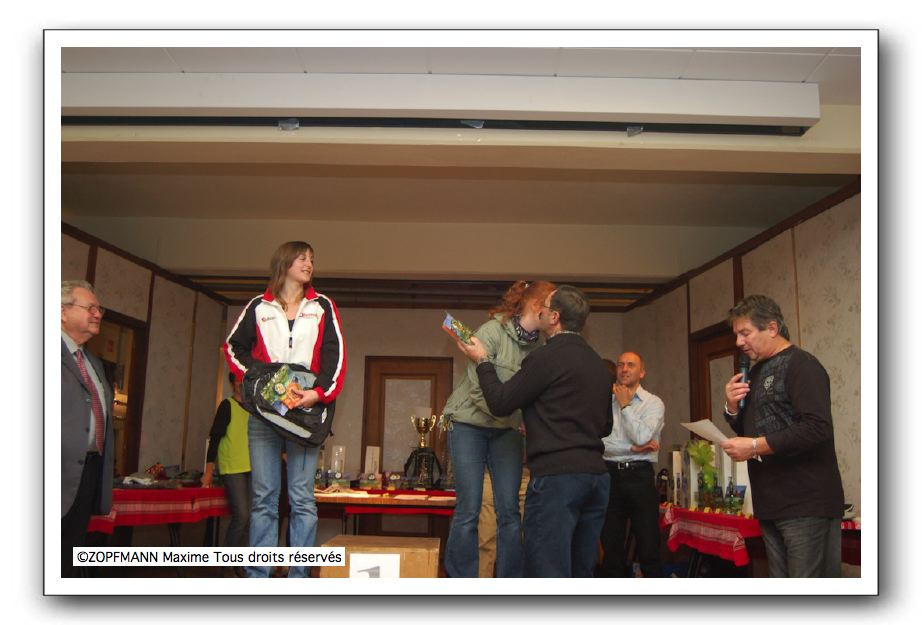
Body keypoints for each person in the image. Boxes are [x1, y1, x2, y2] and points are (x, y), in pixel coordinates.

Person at [456, 285, 613, 577]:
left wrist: (483, 360)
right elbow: (606, 425)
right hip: (597, 480)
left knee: (546, 572)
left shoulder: (545, 358)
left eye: (546, 306)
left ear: (554, 317)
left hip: (557, 480)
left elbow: (500, 402)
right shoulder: (598, 364)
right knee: (580, 572)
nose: (539, 310)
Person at [224, 241, 346, 578]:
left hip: (304, 413)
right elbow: (233, 348)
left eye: (312, 259)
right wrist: (259, 378)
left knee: (302, 498)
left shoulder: (322, 306)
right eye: (302, 258)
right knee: (264, 497)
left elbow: (335, 356)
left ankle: (299, 577)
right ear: (285, 263)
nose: (309, 264)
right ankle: (258, 576)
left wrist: (317, 393)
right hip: (264, 415)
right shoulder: (258, 306)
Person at [719, 294, 844, 578]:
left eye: (745, 333)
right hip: (770, 502)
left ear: (772, 328)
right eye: (736, 334)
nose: (738, 342)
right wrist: (732, 407)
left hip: (805, 502)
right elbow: (752, 431)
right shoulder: (756, 371)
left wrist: (754, 446)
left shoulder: (802, 365)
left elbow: (817, 427)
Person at [443, 280, 555, 578]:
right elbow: (479, 390)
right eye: (552, 307)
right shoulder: (491, 332)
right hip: (468, 424)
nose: (556, 314)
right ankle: (461, 582)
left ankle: (510, 583)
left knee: (509, 511)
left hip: (506, 429)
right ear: (537, 307)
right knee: (469, 508)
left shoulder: (541, 347)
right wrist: (511, 414)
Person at [61, 280, 114, 578]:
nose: (97, 314)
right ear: (62, 312)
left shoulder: (92, 361)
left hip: (89, 470)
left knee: (69, 553)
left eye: (99, 309)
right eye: (90, 308)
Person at [598, 352, 665, 578]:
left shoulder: (653, 403)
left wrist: (625, 406)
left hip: (640, 477)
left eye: (631, 365)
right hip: (609, 475)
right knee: (611, 548)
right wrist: (631, 448)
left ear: (642, 372)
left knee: (648, 546)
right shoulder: (605, 403)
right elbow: (599, 444)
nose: (624, 369)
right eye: (620, 365)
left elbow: (642, 437)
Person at [202, 372, 252, 566]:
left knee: (251, 518)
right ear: (232, 384)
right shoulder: (227, 406)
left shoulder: (253, 410)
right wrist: (208, 472)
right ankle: (226, 563)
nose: (242, 383)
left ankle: (241, 565)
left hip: (251, 468)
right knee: (242, 515)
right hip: (232, 468)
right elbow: (214, 440)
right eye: (238, 380)